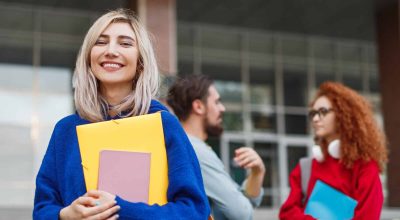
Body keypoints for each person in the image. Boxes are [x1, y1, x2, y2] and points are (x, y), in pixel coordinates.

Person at [33, 9, 210, 220]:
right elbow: (42, 210)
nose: (110, 51)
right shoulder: (66, 130)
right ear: (89, 57)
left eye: (125, 43)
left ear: (140, 61)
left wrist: (120, 209)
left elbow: (194, 212)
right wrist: (64, 215)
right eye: (100, 42)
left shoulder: (163, 125)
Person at [279, 81, 388, 220]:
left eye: (323, 112)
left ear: (343, 114)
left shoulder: (365, 167)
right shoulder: (305, 168)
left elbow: (368, 217)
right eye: (313, 113)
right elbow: (287, 212)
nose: (316, 118)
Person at [167, 74, 265, 220]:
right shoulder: (196, 151)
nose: (223, 108)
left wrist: (257, 172)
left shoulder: (181, 145)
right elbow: (242, 213)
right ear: (199, 106)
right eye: (217, 102)